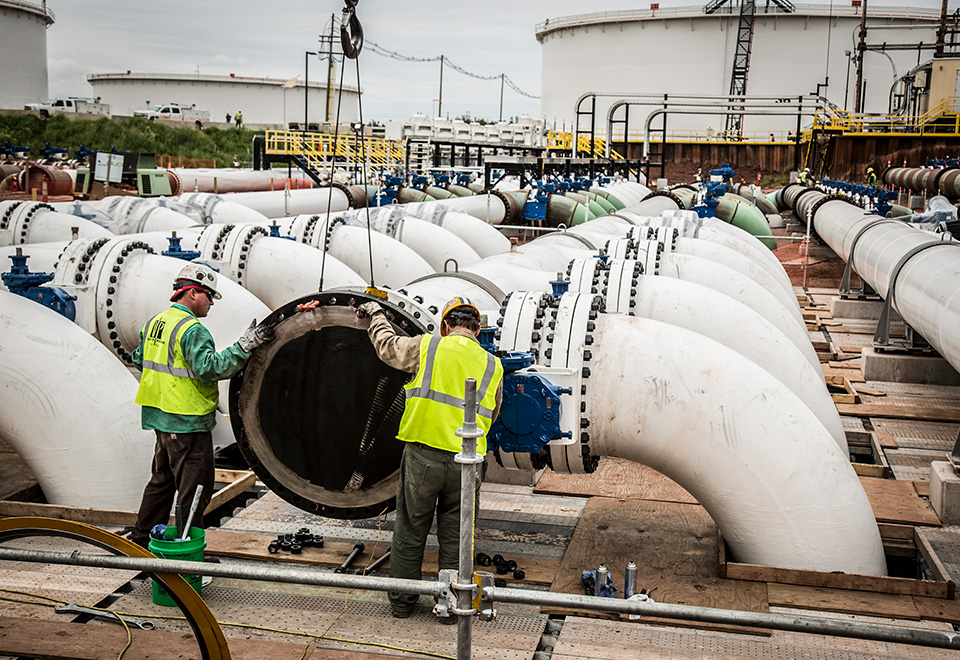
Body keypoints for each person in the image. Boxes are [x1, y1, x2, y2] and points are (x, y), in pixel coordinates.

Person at [357, 296, 504, 622]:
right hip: (467, 463)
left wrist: (376, 313)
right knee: (458, 535)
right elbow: (492, 414)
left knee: (411, 529)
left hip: (423, 456)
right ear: (477, 330)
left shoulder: (429, 346)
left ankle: (403, 604)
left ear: (447, 326)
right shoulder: (493, 365)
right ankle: (452, 606)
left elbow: (386, 346)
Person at [129, 263, 274, 549]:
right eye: (209, 296)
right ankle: (186, 551)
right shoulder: (192, 330)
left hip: (161, 418)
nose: (211, 303)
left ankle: (139, 543)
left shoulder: (156, 322)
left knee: (161, 482)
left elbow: (138, 359)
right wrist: (244, 346)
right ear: (192, 292)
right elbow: (211, 368)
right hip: (187, 421)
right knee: (194, 490)